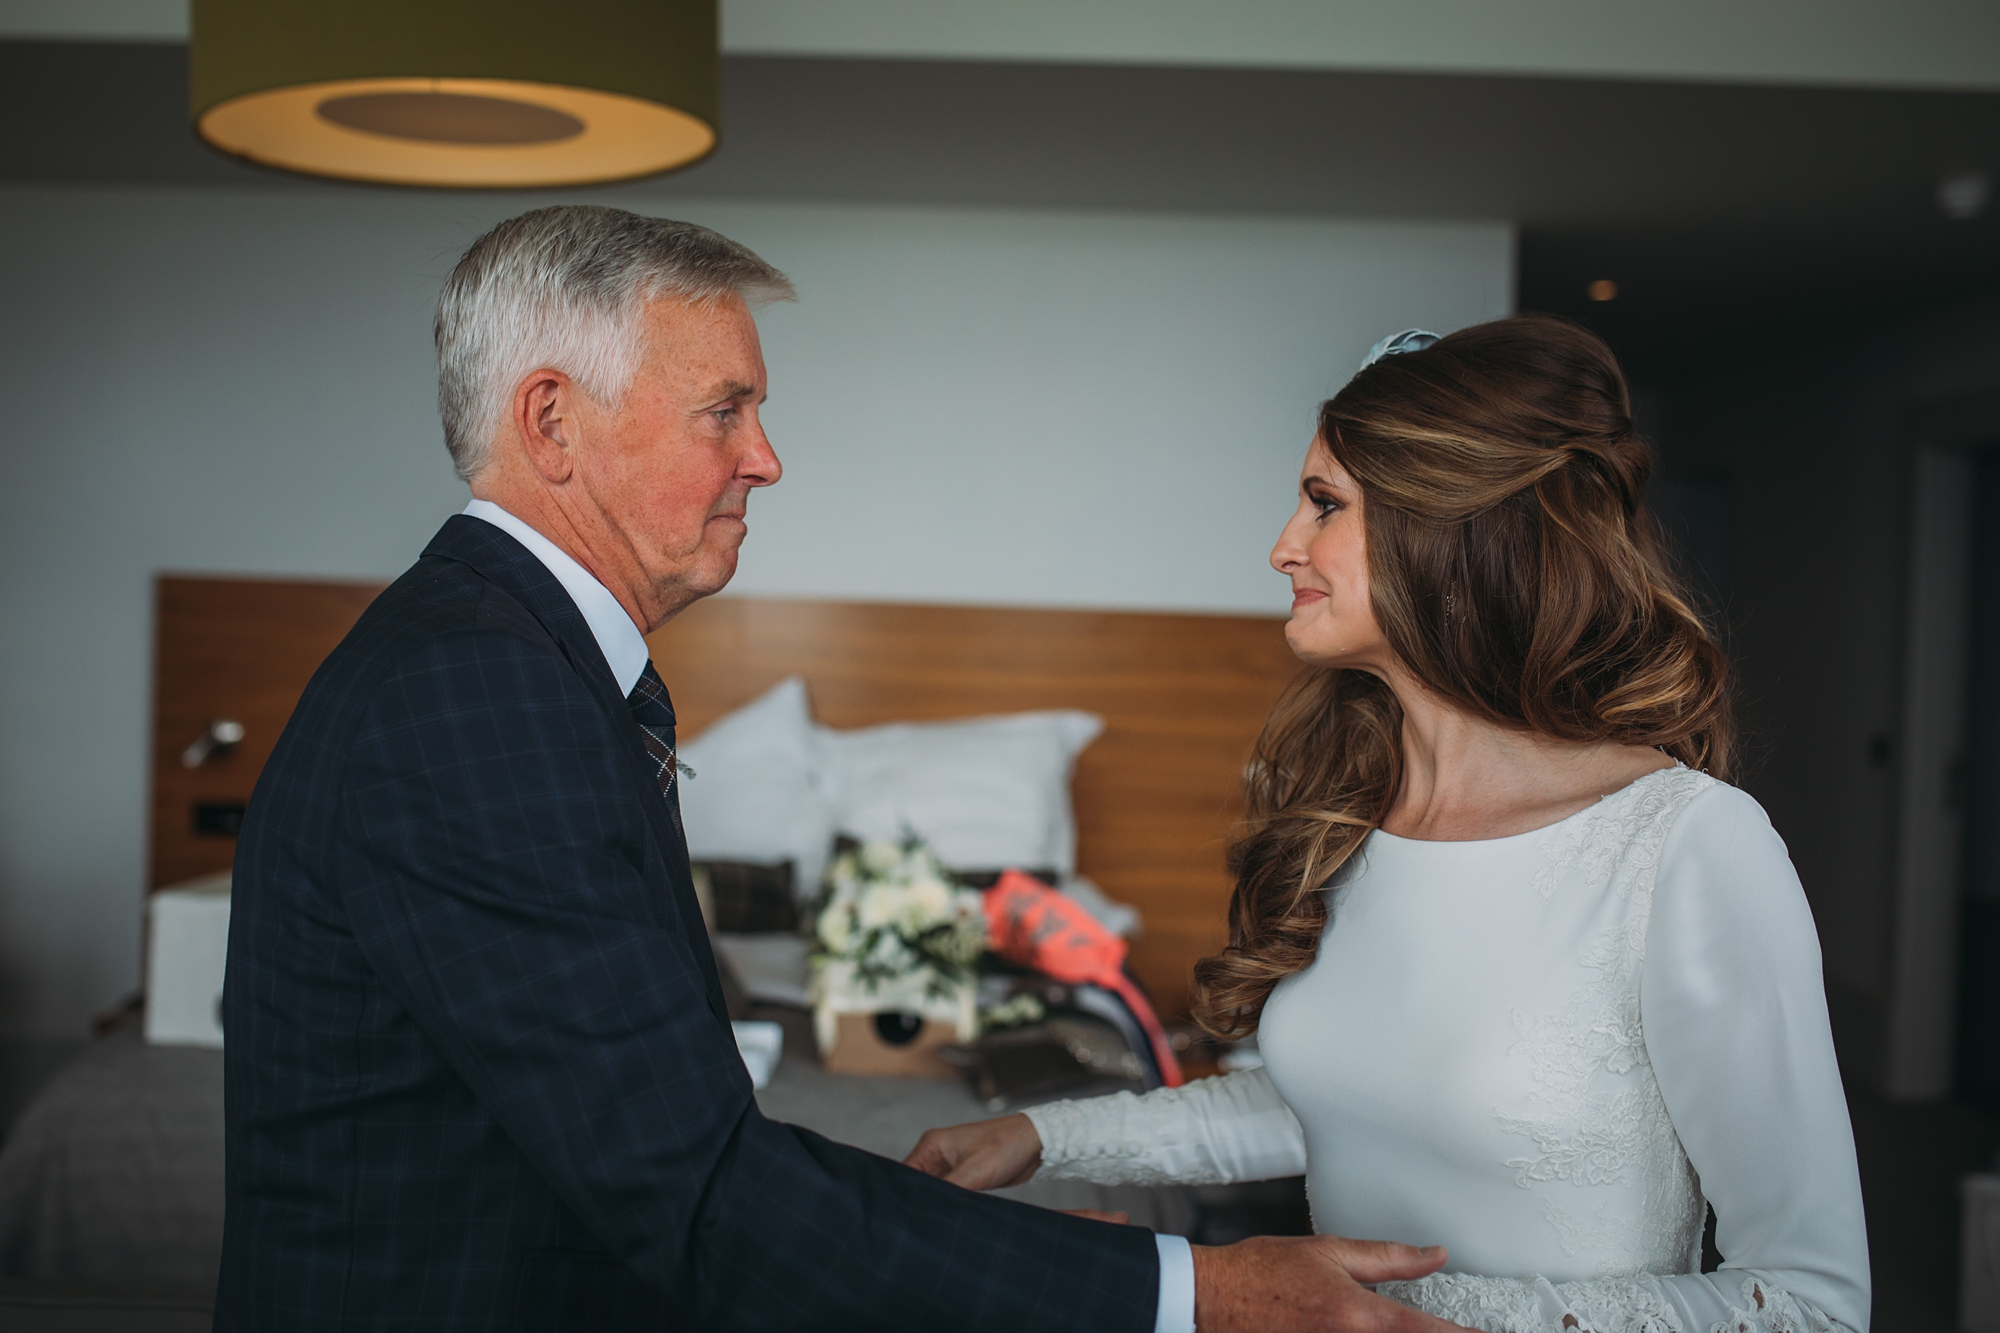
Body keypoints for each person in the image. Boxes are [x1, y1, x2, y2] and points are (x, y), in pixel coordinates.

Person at [214, 205, 1468, 1332]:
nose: (765, 457)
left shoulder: (486, 657)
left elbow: (652, 1147)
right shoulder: (475, 696)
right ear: (551, 422)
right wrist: (1193, 1290)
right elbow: (700, 1197)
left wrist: (993, 1245)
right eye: (724, 409)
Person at [906, 316, 1872, 1333]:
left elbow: (1811, 1303)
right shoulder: (1354, 815)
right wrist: (1042, 1135)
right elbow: (1336, 1103)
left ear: (1447, 532)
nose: (1282, 545)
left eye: (1324, 503)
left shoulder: (1684, 848)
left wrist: (1375, 1313)